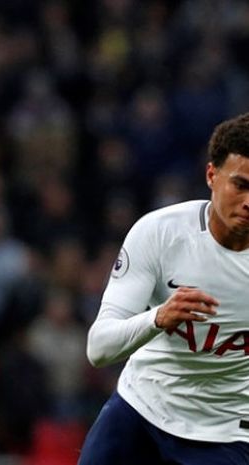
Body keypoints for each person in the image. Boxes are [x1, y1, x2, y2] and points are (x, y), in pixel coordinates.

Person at [80, 112, 249, 464]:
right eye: (241, 185)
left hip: (225, 433)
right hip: (141, 410)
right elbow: (99, 348)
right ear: (211, 176)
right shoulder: (160, 233)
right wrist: (158, 318)